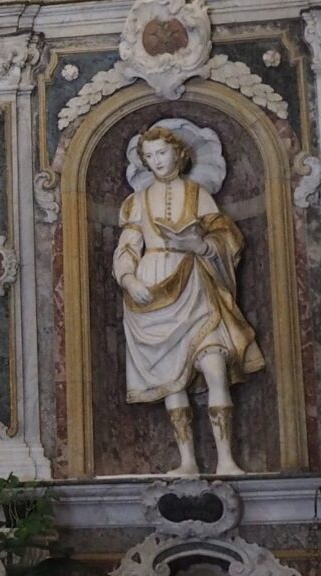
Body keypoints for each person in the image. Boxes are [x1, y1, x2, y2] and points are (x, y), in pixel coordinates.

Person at [113, 125, 264, 475]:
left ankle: (226, 459)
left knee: (214, 367)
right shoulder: (137, 201)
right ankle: (187, 461)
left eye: (161, 154)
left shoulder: (198, 194)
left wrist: (199, 245)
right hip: (151, 292)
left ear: (179, 154)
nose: (156, 162)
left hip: (195, 283)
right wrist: (129, 277)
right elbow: (127, 248)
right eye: (149, 157)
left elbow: (229, 240)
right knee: (172, 380)